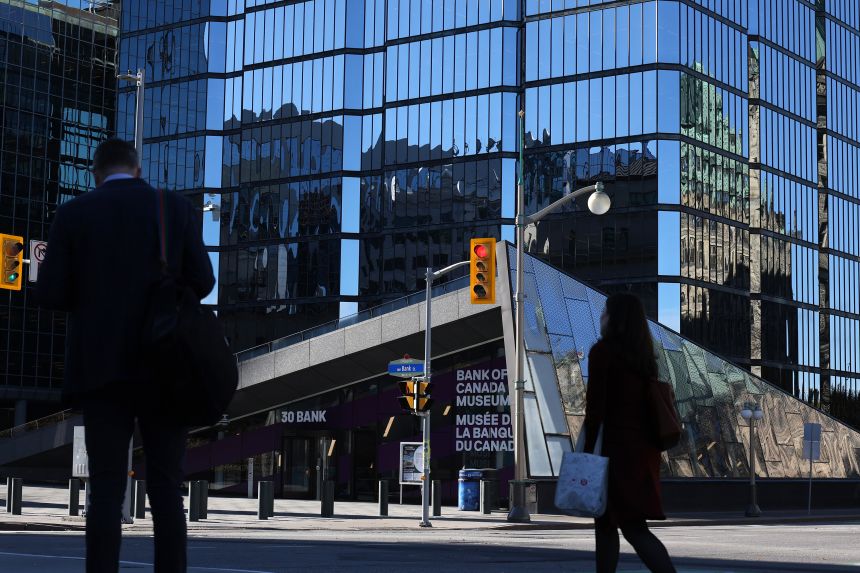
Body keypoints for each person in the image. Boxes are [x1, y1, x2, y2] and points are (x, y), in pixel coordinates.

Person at [37, 138, 215, 573]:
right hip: (166, 368)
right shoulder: (173, 208)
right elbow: (204, 280)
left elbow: (52, 293)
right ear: (137, 169)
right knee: (167, 490)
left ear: (95, 174)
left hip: (102, 372)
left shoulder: (73, 215)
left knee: (106, 490)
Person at [584, 293, 676, 573]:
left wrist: (587, 455)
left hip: (616, 452)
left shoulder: (603, 353)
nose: (601, 317)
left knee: (625, 526)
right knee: (618, 522)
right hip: (642, 453)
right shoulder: (644, 359)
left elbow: (595, 410)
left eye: (605, 312)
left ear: (616, 318)